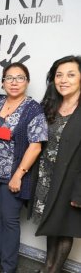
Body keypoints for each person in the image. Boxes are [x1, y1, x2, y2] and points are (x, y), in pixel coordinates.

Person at [0, 62, 48, 273]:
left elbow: (36, 146)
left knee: (10, 220)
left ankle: (9, 266)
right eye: (9, 78)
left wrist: (19, 175)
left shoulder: (33, 108)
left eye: (20, 78)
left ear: (27, 82)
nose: (14, 82)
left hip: (14, 175)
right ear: (2, 82)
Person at [31, 55, 81, 273]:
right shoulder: (50, 105)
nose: (63, 80)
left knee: (64, 229)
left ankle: (53, 270)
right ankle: (47, 266)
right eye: (59, 75)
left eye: (71, 75)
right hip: (46, 177)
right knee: (52, 224)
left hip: (71, 182)